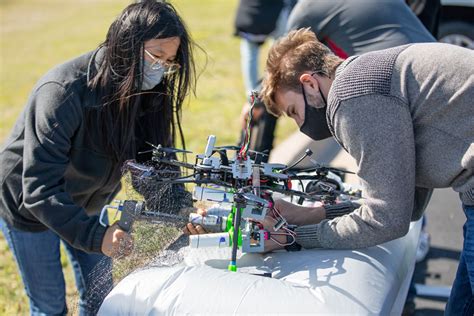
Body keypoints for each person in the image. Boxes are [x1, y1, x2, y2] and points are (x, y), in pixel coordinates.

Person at [0, 1, 197, 314]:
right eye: (156, 56)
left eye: (169, 62)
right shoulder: (63, 91)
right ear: (126, 46)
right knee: (50, 305)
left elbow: (153, 168)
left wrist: (186, 212)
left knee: (102, 297)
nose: (161, 70)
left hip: (87, 201)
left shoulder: (148, 94)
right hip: (29, 204)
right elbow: (39, 187)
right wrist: (96, 236)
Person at [260, 28, 473, 315]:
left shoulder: (352, 95)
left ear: (309, 84)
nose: (301, 125)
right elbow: (405, 206)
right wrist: (311, 214)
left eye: (294, 111)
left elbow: (386, 220)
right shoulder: (366, 77)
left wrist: (291, 238)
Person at [244, 0, 436, 156]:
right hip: (436, 74)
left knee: (383, 183)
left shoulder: (308, 8)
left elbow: (283, 68)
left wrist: (254, 102)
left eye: (293, 113)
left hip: (393, 90)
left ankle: (258, 171)